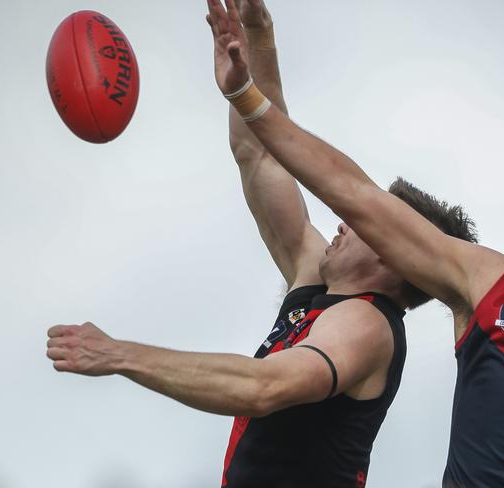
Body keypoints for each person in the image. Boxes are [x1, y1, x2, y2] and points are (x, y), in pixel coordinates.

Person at [46, 2, 477, 487]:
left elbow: (264, 387)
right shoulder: (317, 275)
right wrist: (255, 46)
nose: (342, 220)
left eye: (362, 220)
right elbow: (259, 157)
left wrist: (119, 354)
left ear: (390, 250)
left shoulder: (367, 324)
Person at [206, 0, 504, 486]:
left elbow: (358, 202)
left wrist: (123, 355)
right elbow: (355, 194)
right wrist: (249, 84)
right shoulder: (498, 287)